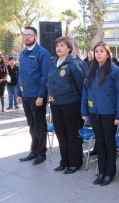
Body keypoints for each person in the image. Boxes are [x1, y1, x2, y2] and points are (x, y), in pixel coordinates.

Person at [81, 42, 119, 185]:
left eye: (101, 51)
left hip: (109, 113)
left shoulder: (115, 70)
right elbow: (85, 92)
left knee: (109, 142)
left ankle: (109, 173)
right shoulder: (91, 70)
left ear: (108, 53)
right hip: (94, 112)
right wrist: (84, 111)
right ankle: (101, 172)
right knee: (99, 142)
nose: (98, 53)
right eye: (96, 51)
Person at [47, 36, 85, 174]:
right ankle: (65, 161)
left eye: (62, 45)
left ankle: (75, 163)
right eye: (57, 45)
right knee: (60, 134)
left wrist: (83, 108)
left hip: (71, 104)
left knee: (72, 134)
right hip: (55, 104)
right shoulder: (53, 63)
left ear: (69, 48)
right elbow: (49, 82)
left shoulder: (74, 64)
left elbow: (81, 87)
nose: (59, 48)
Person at [17, 26, 51, 165]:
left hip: (37, 96)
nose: (26, 37)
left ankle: (41, 153)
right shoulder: (23, 53)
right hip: (25, 95)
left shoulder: (43, 53)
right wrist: (19, 93)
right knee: (31, 125)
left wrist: (41, 96)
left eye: (29, 35)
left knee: (40, 124)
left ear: (35, 36)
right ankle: (34, 150)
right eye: (25, 35)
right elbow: (21, 75)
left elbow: (45, 76)